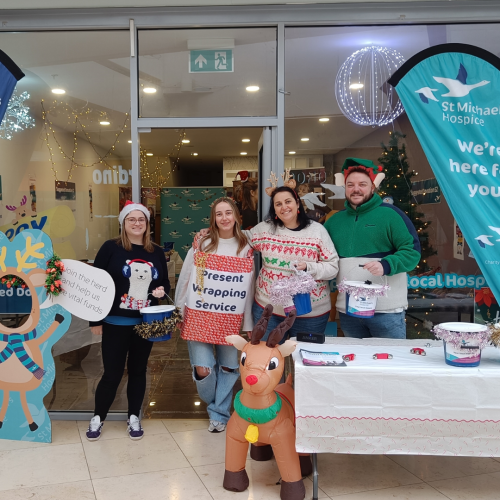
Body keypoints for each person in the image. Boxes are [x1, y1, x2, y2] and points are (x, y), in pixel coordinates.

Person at [86, 201, 170, 441]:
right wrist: (95, 321)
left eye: (141, 219)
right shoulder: (110, 248)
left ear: (147, 224)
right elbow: (95, 284)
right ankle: (98, 417)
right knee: (111, 373)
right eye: (131, 219)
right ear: (123, 222)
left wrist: (159, 292)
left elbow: (163, 284)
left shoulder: (156, 251)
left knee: (137, 371)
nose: (137, 223)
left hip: (145, 323)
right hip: (114, 322)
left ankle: (134, 416)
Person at [176, 197, 254, 433]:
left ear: (237, 216)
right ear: (213, 219)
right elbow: (187, 276)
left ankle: (219, 414)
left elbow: (247, 288)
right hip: (199, 314)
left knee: (229, 368)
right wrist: (179, 310)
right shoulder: (203, 243)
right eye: (218, 214)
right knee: (203, 368)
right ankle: (216, 406)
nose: (224, 218)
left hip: (231, 318)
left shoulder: (247, 246)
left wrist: (248, 321)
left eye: (228, 213)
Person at [324, 158, 421, 339]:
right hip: (348, 311)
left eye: (362, 184)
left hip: (386, 312)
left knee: (389, 364)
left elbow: (412, 252)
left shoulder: (391, 215)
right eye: (350, 185)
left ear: (372, 187)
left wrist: (386, 265)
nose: (356, 189)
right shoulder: (334, 222)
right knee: (355, 364)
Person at [250, 186, 338, 341]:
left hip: (310, 314)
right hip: (268, 311)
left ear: (297, 203)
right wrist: (211, 233)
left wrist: (309, 267)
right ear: (274, 209)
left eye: (288, 201)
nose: (284, 207)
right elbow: (239, 240)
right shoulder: (264, 229)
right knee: (267, 360)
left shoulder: (317, 231)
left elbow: (333, 267)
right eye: (278, 204)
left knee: (305, 359)